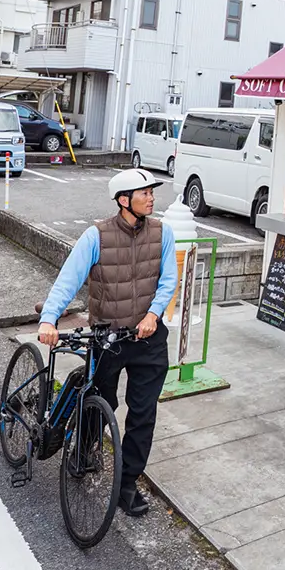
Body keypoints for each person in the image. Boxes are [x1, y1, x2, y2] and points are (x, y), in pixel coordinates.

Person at [37, 168, 177, 517]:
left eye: (151, 192)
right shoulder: (96, 236)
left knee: (144, 413)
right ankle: (82, 454)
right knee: (100, 401)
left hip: (148, 336)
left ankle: (126, 485)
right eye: (144, 193)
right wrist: (48, 319)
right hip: (108, 336)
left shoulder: (163, 233)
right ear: (123, 200)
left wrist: (153, 315)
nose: (152, 197)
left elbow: (168, 280)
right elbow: (68, 280)